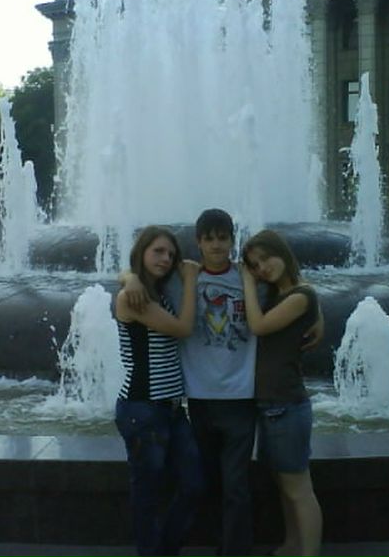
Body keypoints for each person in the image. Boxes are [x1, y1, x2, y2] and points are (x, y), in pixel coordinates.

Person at [123, 209, 323, 557]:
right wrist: (130, 279)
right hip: (198, 399)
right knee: (208, 483)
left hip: (240, 398)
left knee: (236, 486)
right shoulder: (183, 278)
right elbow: (142, 274)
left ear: (232, 239)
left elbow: (293, 291)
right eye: (209, 238)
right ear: (198, 242)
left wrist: (317, 314)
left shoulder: (251, 279)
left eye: (223, 238)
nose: (216, 245)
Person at [113, 225, 204, 557]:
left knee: (194, 484)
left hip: (171, 409)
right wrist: (190, 280)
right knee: (148, 495)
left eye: (171, 254)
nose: (165, 259)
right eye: (158, 251)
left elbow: (124, 274)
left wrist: (129, 277)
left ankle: (164, 550)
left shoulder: (155, 292)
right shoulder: (133, 297)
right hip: (142, 409)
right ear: (142, 252)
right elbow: (182, 328)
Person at [240, 229, 323, 557]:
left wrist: (248, 283)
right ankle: (291, 545)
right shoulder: (283, 294)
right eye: (254, 265)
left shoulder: (299, 296)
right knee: (284, 485)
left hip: (287, 405)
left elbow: (259, 326)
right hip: (270, 405)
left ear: (282, 252)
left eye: (266, 258)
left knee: (299, 488)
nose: (262, 268)